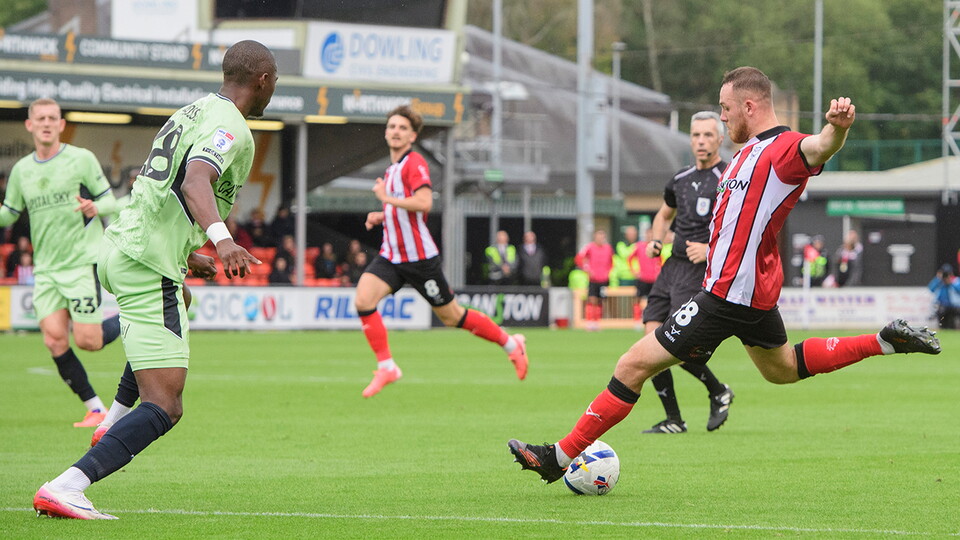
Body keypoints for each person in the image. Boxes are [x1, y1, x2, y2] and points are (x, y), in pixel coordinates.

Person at [507, 67, 941, 485]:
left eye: (725, 107)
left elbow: (819, 146)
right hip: (749, 295)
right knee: (783, 369)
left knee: (632, 364)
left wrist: (838, 129)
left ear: (749, 106)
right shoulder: (744, 154)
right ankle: (885, 341)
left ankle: (557, 458)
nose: (722, 116)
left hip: (726, 295)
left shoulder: (782, 149)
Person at [33, 39, 278, 520]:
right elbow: (194, 181)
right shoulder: (229, 124)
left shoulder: (192, 111)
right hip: (144, 260)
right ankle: (68, 486)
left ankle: (113, 419)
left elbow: (165, 191)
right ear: (264, 80)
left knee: (180, 304)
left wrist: (188, 254)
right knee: (166, 404)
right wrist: (223, 241)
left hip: (125, 247)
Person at [355, 105, 528, 398]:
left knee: (452, 317)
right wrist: (382, 215)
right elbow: (405, 210)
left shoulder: (414, 162)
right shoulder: (392, 169)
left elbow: (424, 203)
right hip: (392, 256)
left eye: (402, 128)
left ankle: (512, 344)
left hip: (420, 259)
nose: (396, 131)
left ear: (412, 136)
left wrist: (386, 199)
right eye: (392, 126)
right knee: (363, 300)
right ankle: (387, 367)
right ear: (386, 132)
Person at [0, 97, 122, 428]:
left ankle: (132, 317)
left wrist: (96, 207)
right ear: (29, 125)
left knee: (88, 341)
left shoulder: (81, 159)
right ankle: (96, 409)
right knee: (54, 339)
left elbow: (109, 200)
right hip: (46, 269)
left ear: (61, 124)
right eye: (40, 118)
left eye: (52, 118)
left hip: (81, 262)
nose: (46, 123)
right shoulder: (22, 170)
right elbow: (9, 213)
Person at [639, 110, 734, 434]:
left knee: (673, 343)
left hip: (700, 271)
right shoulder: (680, 179)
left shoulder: (729, 177)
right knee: (649, 343)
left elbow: (740, 227)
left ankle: (717, 390)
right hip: (672, 267)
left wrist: (710, 250)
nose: (701, 141)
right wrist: (656, 240)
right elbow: (663, 215)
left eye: (708, 135)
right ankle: (675, 419)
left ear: (720, 139)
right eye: (696, 135)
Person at [574, 229, 613, 331]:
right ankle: (590, 321)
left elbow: (612, 262)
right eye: (599, 236)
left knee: (600, 301)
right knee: (592, 299)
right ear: (595, 237)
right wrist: (587, 269)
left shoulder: (608, 248)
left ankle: (597, 322)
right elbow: (579, 258)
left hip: (603, 279)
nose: (601, 239)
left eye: (602, 236)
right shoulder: (589, 247)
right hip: (593, 279)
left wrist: (608, 271)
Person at [626, 228, 661, 329]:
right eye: (648, 234)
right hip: (642, 278)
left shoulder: (656, 247)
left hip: (653, 279)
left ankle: (651, 319)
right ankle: (637, 319)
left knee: (653, 299)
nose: (649, 236)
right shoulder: (639, 246)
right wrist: (634, 271)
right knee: (638, 299)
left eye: (651, 234)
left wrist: (658, 272)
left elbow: (660, 260)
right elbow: (629, 259)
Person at [928, 264, 960, 329]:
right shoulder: (939, 282)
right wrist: (938, 279)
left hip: (954, 306)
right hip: (942, 306)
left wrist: (951, 283)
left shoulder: (956, 280)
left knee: (952, 324)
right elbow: (931, 289)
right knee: (942, 322)